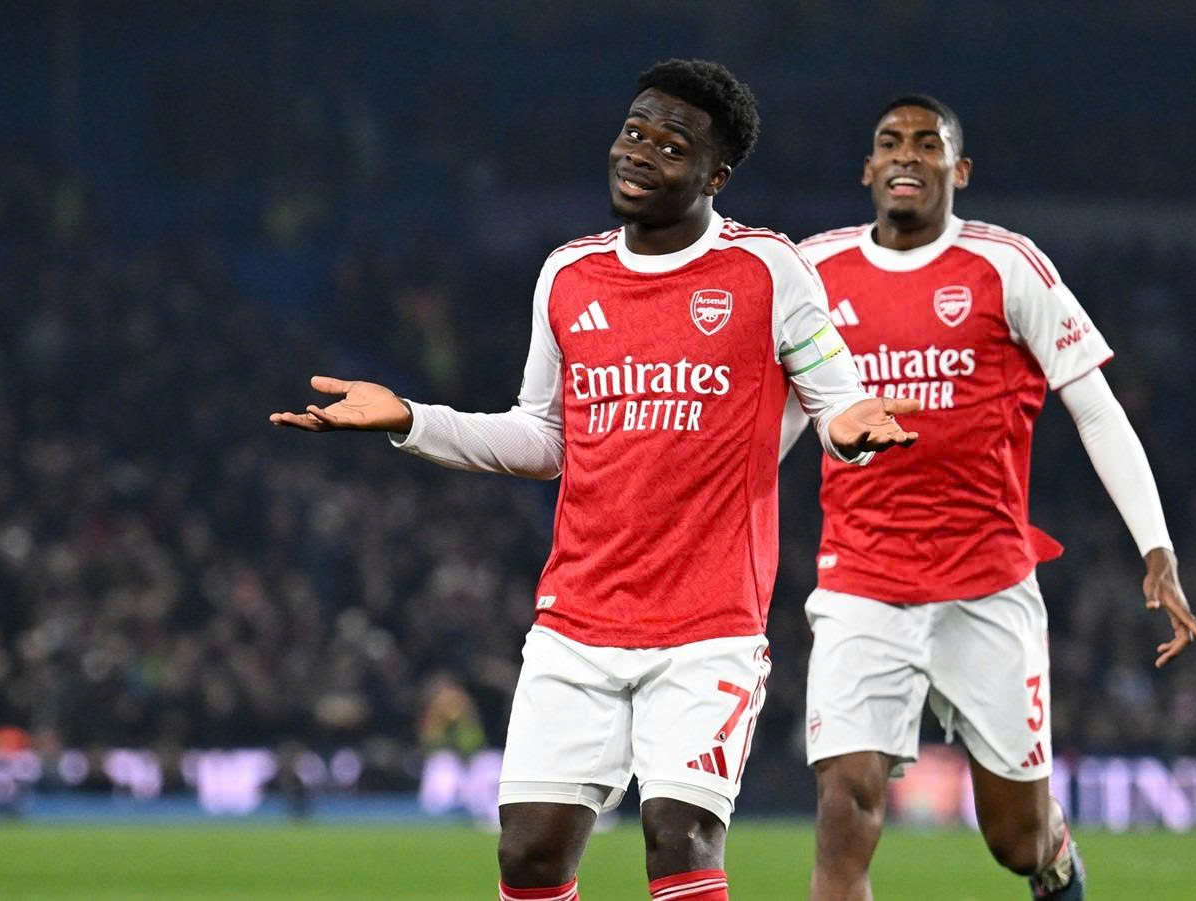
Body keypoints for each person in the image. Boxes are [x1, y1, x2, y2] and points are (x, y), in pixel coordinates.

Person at [271, 60, 920, 901]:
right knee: (529, 855)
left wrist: (852, 432)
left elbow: (836, 403)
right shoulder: (568, 275)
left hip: (708, 626)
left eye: (672, 145)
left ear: (716, 176)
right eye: (634, 131)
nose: (640, 151)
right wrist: (410, 418)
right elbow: (543, 437)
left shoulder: (768, 270)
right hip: (577, 621)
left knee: (680, 836)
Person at [782, 94, 1196, 901]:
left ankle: (1056, 855)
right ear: (868, 168)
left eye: (928, 143)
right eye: (890, 142)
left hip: (986, 586)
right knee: (846, 807)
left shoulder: (1009, 266)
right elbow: (778, 419)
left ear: (961, 169)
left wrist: (1157, 547)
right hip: (861, 584)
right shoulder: (812, 271)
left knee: (1018, 840)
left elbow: (1095, 409)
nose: (907, 155)